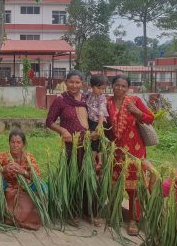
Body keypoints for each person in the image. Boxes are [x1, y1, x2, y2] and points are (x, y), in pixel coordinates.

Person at [46, 70, 100, 226]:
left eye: (78, 82)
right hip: (71, 147)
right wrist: (63, 131)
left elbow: (96, 118)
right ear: (66, 82)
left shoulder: (88, 99)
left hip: (89, 146)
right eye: (71, 82)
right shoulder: (60, 100)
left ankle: (89, 212)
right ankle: (71, 213)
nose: (74, 85)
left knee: (90, 179)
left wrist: (96, 132)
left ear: (83, 83)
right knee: (72, 178)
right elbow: (49, 122)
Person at [107, 75, 155, 236]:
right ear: (112, 86)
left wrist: (137, 112)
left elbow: (150, 118)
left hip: (135, 151)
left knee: (134, 186)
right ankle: (115, 214)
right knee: (115, 184)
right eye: (117, 85)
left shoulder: (134, 101)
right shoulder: (107, 102)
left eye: (123, 86)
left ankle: (134, 220)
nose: (120, 88)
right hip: (116, 151)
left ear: (128, 88)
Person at [0, 130, 42, 230]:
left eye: (18, 142)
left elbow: (38, 176)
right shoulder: (3, 156)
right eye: (12, 142)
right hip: (6, 189)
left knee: (42, 185)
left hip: (22, 189)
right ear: (9, 143)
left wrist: (23, 172)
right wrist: (2, 169)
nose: (15, 145)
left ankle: (38, 212)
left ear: (23, 144)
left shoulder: (28, 158)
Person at [86, 75, 108, 162]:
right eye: (99, 88)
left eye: (103, 89)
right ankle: (95, 160)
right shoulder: (88, 94)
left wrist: (99, 125)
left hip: (98, 121)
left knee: (96, 140)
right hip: (90, 120)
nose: (101, 91)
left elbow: (102, 112)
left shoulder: (101, 97)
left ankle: (95, 161)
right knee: (92, 140)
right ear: (91, 86)